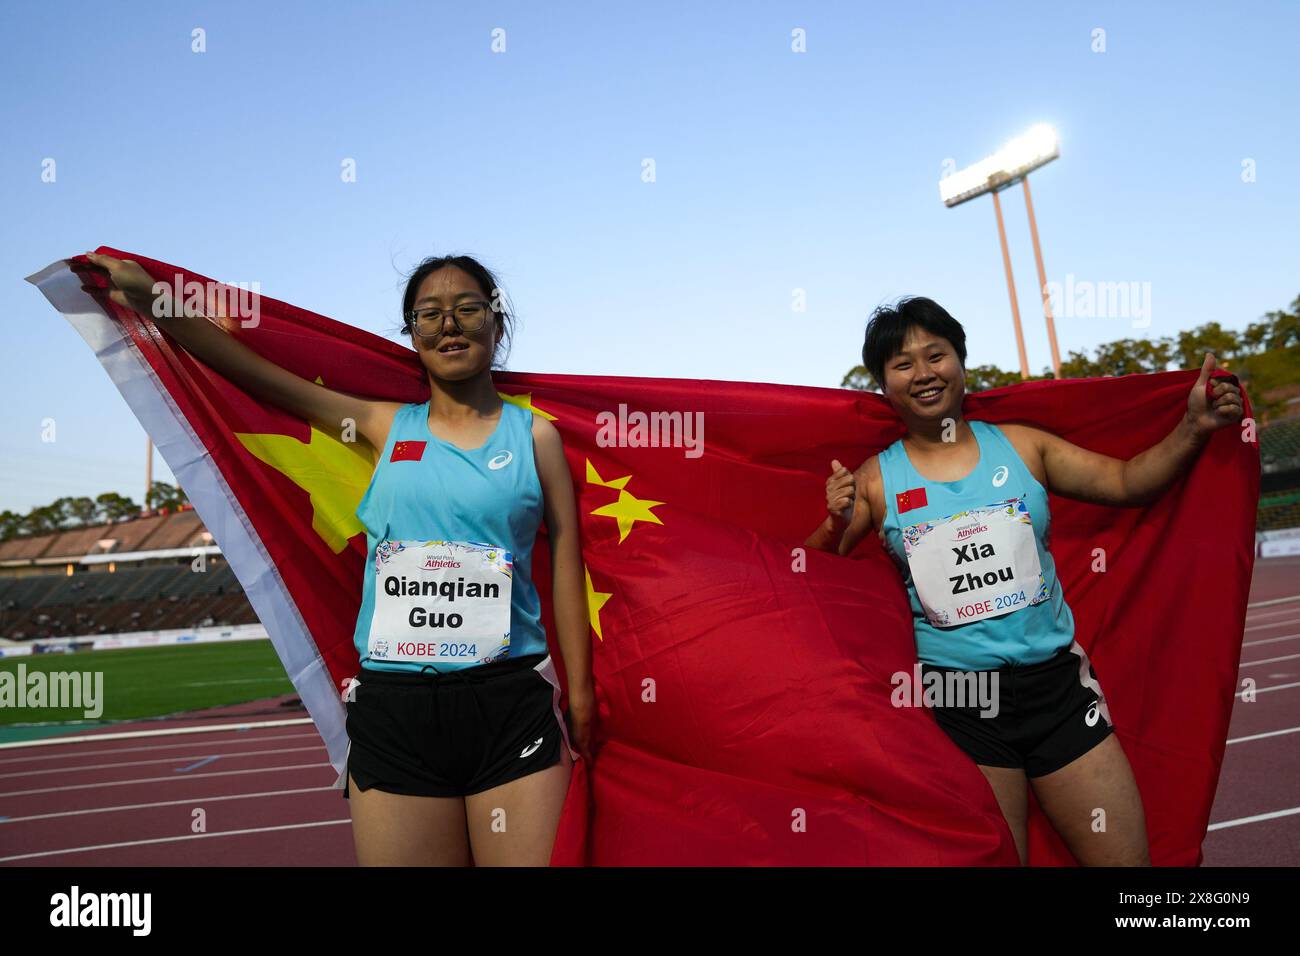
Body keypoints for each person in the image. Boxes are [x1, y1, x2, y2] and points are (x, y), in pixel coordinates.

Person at [83, 250, 595, 866]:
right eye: (429, 315)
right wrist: (153, 302)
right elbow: (260, 377)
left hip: (510, 704)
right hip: (396, 713)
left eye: (467, 310)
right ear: (411, 335)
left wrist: (582, 692)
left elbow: (566, 551)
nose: (450, 326)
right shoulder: (383, 426)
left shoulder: (535, 437)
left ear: (497, 322)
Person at [805, 297, 1242, 866]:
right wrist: (834, 520)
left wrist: (1193, 427)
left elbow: (1128, 482)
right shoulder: (875, 481)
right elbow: (809, 576)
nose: (924, 373)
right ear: (883, 385)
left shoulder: (1023, 446)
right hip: (960, 698)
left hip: (1057, 691)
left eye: (936, 354)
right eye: (902, 364)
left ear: (961, 362)